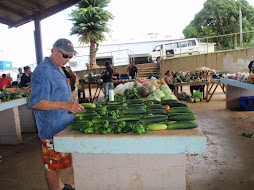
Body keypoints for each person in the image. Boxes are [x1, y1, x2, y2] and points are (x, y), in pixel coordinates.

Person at [29, 38, 84, 190]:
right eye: (65, 56)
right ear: (54, 50)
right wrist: (66, 105)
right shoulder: (43, 71)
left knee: (58, 163)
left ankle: (60, 187)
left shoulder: (58, 67)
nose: (67, 60)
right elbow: (36, 102)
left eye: (70, 57)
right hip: (51, 128)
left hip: (62, 125)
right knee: (52, 165)